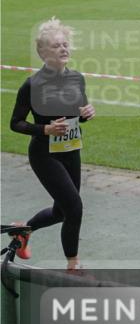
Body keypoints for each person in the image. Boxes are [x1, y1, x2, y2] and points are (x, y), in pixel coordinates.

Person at [9, 18, 96, 270]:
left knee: (62, 212)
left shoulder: (77, 78)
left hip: (71, 150)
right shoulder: (32, 85)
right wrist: (44, 129)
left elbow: (77, 114)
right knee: (75, 208)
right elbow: (16, 123)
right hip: (44, 154)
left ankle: (22, 231)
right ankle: (73, 266)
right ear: (43, 52)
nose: (64, 49)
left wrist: (85, 113)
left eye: (65, 44)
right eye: (57, 46)